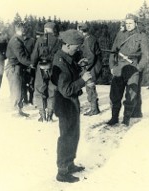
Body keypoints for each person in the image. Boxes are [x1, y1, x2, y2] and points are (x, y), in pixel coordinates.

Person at [52, 29, 92, 183]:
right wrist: (83, 80)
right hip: (65, 103)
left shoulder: (67, 56)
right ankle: (62, 171)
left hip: (71, 102)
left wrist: (79, 64)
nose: (78, 50)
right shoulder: (60, 62)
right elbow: (66, 89)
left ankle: (70, 164)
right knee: (66, 137)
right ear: (67, 45)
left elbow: (71, 71)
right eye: (76, 47)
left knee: (74, 134)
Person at [106, 13, 149, 126]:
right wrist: (111, 67)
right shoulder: (120, 34)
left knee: (131, 95)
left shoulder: (141, 36)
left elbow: (146, 55)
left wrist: (139, 68)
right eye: (127, 23)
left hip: (133, 67)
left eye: (131, 23)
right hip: (119, 67)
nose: (128, 25)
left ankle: (126, 118)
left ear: (135, 23)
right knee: (115, 95)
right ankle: (114, 117)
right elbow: (113, 52)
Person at [31, 22, 60, 122]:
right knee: (52, 90)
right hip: (54, 67)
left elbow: (35, 54)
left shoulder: (40, 40)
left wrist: (32, 64)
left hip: (41, 66)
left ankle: (42, 115)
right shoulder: (58, 40)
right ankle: (50, 116)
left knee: (39, 90)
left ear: (45, 29)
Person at [5, 22, 32, 117]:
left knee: (19, 89)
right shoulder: (16, 41)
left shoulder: (18, 40)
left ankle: (19, 111)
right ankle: (15, 112)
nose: (26, 31)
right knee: (16, 90)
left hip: (16, 67)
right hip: (13, 68)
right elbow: (21, 57)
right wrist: (31, 64)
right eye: (24, 29)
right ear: (21, 30)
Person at [77, 23, 102, 116]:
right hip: (93, 66)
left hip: (91, 68)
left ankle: (94, 109)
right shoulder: (89, 38)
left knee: (90, 87)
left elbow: (90, 57)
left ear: (80, 30)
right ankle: (94, 108)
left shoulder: (88, 40)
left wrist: (84, 68)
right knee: (90, 87)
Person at [22, 26, 36, 105]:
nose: (24, 32)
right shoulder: (18, 40)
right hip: (21, 65)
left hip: (30, 65)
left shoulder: (32, 41)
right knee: (22, 83)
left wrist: (32, 63)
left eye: (25, 31)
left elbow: (34, 53)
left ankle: (31, 100)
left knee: (31, 83)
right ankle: (25, 100)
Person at [0, 23, 8, 99]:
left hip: (0, 61)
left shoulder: (3, 38)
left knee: (0, 77)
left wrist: (4, 56)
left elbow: (7, 49)